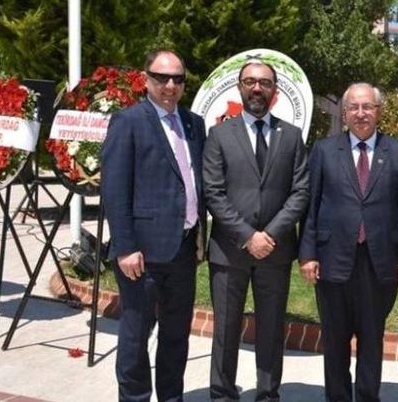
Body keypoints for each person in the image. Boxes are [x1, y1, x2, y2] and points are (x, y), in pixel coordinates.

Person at [299, 83, 398, 402]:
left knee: (371, 337)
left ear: (378, 111)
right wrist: (307, 254)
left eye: (367, 106)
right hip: (332, 258)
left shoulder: (397, 152)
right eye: (353, 107)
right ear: (344, 113)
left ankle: (368, 397)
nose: (360, 113)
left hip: (379, 262)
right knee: (335, 339)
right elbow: (311, 205)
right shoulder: (324, 150)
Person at [101, 49, 206, 402]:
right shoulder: (128, 122)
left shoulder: (194, 124)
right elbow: (114, 190)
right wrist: (126, 246)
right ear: (146, 79)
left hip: (183, 249)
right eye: (162, 78)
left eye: (178, 78)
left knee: (176, 335)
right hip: (141, 253)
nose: (170, 85)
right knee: (136, 335)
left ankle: (171, 397)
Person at [203, 59, 310, 401]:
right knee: (225, 331)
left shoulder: (291, 136)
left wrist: (270, 235)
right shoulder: (219, 135)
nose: (257, 88)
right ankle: (222, 394)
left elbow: (300, 191)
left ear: (274, 90)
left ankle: (267, 394)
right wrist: (249, 236)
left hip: (275, 252)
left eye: (264, 82)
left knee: (271, 330)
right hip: (229, 251)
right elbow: (213, 193)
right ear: (240, 87)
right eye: (250, 81)